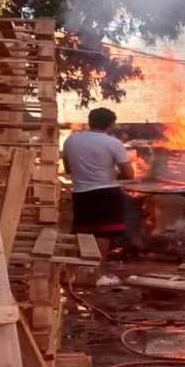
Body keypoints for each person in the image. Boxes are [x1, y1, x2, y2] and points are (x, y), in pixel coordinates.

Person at [63, 107, 134, 258]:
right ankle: (96, 273)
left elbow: (68, 168)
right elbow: (129, 174)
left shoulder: (71, 140)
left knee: (82, 231)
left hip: (81, 193)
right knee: (104, 233)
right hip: (106, 193)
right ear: (111, 124)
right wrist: (113, 175)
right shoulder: (113, 143)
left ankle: (75, 271)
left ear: (90, 122)